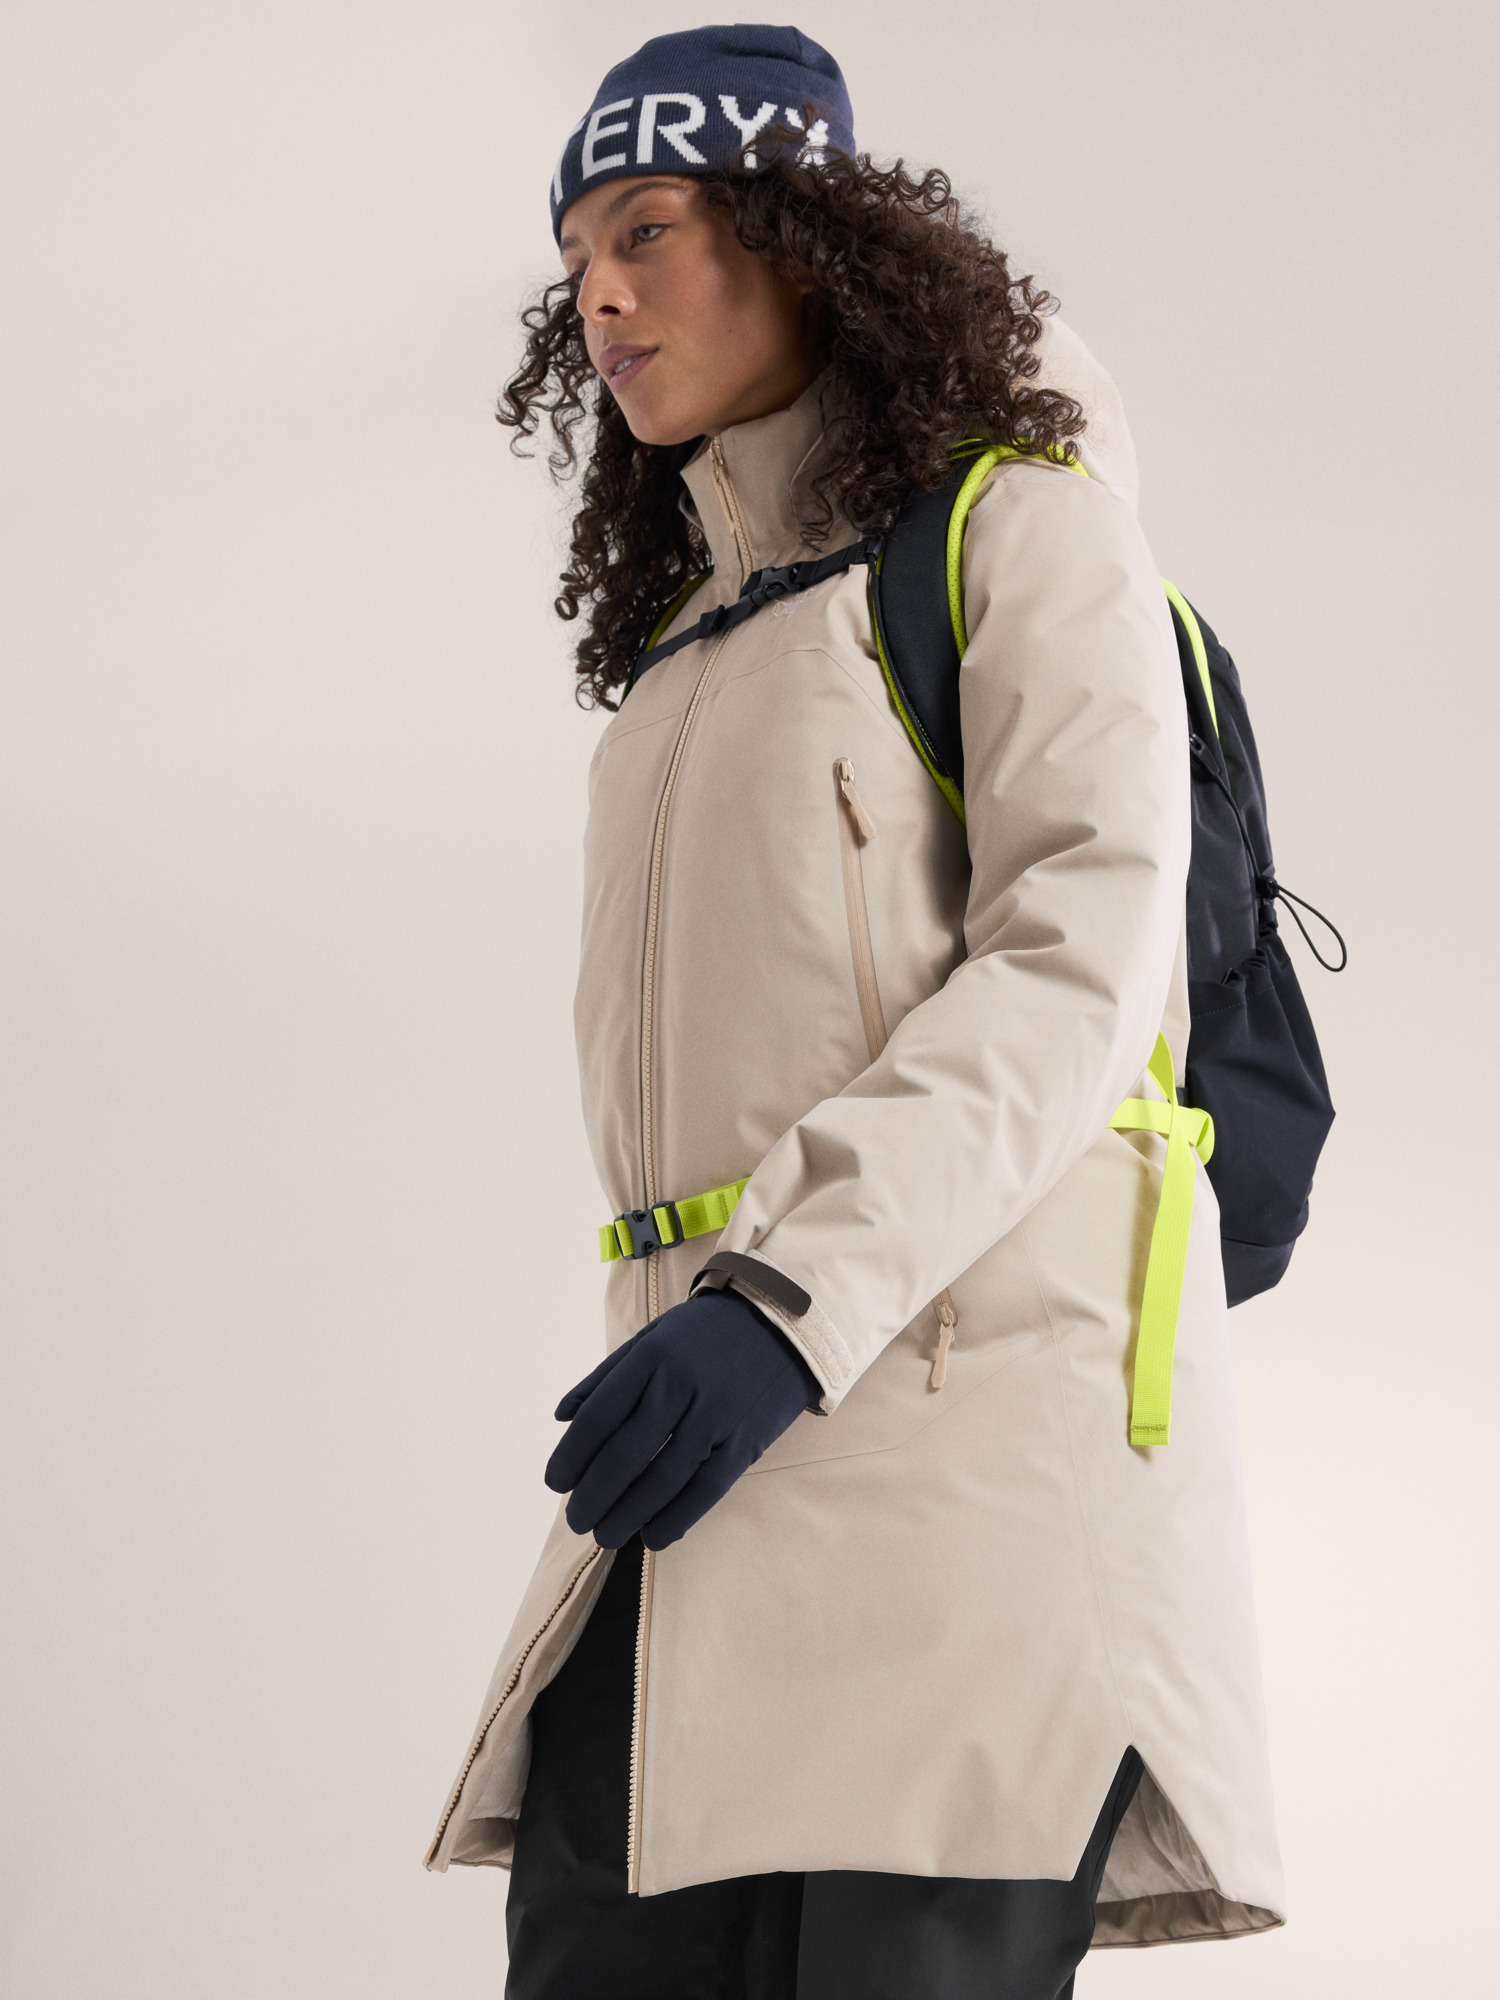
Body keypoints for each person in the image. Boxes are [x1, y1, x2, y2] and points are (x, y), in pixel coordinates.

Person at [425, 25, 1284, 1997]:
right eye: (576, 261)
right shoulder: (688, 643)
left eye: (648, 230)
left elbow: (1082, 955)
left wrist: (778, 1304)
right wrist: (727, 1328)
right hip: (699, 1453)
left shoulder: (1025, 523)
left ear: (806, 238)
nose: (601, 297)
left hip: (966, 1466)